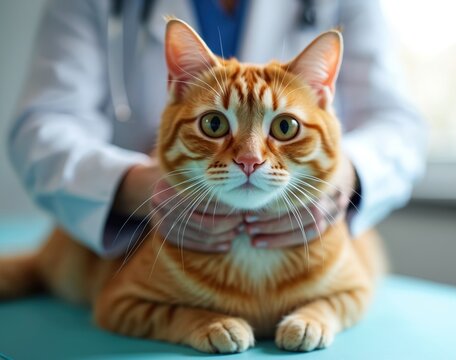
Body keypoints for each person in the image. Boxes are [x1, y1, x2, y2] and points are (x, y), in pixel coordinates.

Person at [8, 0, 426, 258]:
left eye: (281, 126)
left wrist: (344, 174)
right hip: (144, 236)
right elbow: (44, 124)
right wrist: (135, 185)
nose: (249, 157)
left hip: (307, 229)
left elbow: (398, 124)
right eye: (214, 123)